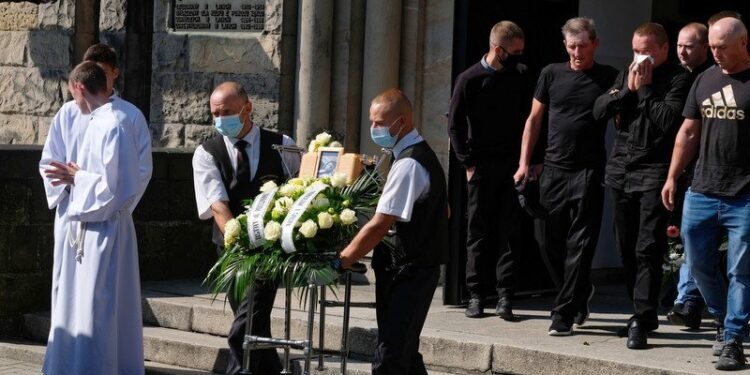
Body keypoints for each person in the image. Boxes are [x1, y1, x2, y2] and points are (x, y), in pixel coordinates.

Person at [39, 61, 152, 373]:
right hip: (79, 226)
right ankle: (69, 365)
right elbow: (53, 164)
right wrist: (71, 186)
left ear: (78, 87)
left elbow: (120, 187)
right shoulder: (89, 117)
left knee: (97, 307)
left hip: (105, 229)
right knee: (72, 302)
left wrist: (78, 179)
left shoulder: (116, 124)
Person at [514, 17, 617, 336]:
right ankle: (578, 291)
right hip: (554, 170)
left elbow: (622, 123)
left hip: (589, 171)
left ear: (595, 44)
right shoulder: (550, 74)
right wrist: (524, 162)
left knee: (581, 244)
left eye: (583, 46)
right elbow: (534, 120)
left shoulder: (609, 77)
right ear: (565, 46)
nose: (577, 52)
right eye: (572, 46)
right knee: (548, 241)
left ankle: (563, 313)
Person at [593, 22, 691, 349]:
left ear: (664, 49)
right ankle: (643, 313)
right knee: (625, 245)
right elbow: (598, 110)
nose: (641, 57)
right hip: (621, 169)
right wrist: (627, 92)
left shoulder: (679, 79)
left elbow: (669, 122)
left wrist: (646, 90)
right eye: (636, 50)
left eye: (647, 51)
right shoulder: (627, 73)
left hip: (654, 169)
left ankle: (641, 317)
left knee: (647, 247)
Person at [338, 88, 448, 375]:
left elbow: (379, 224)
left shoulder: (409, 162)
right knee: (405, 354)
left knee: (390, 357)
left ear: (402, 121)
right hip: (409, 267)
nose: (375, 129)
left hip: (409, 270)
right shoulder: (414, 154)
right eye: (372, 122)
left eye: (380, 123)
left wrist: (342, 260)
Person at [192, 81, 299, 375]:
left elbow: (298, 189)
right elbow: (217, 204)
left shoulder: (282, 144)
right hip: (232, 249)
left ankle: (238, 369)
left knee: (246, 321)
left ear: (247, 108)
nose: (220, 119)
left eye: (227, 111)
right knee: (252, 317)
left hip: (270, 249)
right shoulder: (207, 152)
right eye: (215, 113)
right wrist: (239, 241)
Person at [662, 17, 750, 371]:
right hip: (701, 189)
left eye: (722, 48)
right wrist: (672, 177)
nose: (716, 54)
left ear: (743, 43)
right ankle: (723, 317)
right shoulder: (705, 78)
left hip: (744, 194)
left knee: (741, 271)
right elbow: (688, 132)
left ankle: (732, 338)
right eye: (712, 47)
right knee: (697, 265)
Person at [448, 20, 531, 320]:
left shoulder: (519, 75)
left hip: (511, 165)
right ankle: (475, 295)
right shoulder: (469, 79)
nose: (520, 56)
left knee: (510, 231)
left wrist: (527, 161)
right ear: (498, 50)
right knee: (478, 232)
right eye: (515, 51)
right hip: (481, 165)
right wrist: (467, 163)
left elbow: (529, 120)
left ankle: (505, 295)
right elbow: (454, 125)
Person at [666, 22, 713, 330]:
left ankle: (695, 302)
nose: (682, 51)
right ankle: (688, 301)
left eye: (689, 46)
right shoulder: (675, 78)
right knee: (689, 240)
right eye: (679, 45)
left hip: (715, 171)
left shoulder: (713, 78)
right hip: (685, 171)